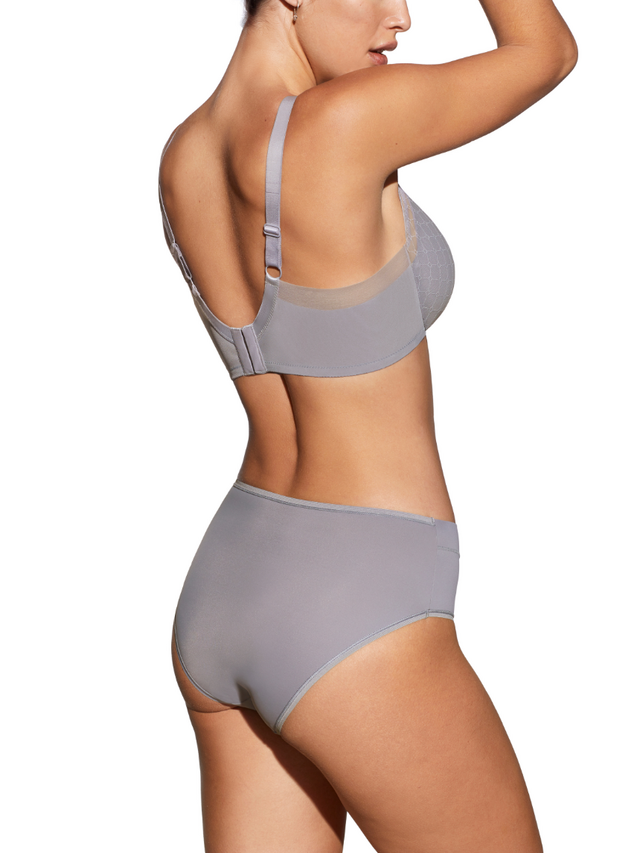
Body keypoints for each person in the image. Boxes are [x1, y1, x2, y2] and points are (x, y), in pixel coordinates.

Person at [158, 1, 577, 850]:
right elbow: (546, 51)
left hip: (227, 585)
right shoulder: (349, 121)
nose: (403, 16)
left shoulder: (185, 151)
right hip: (355, 608)